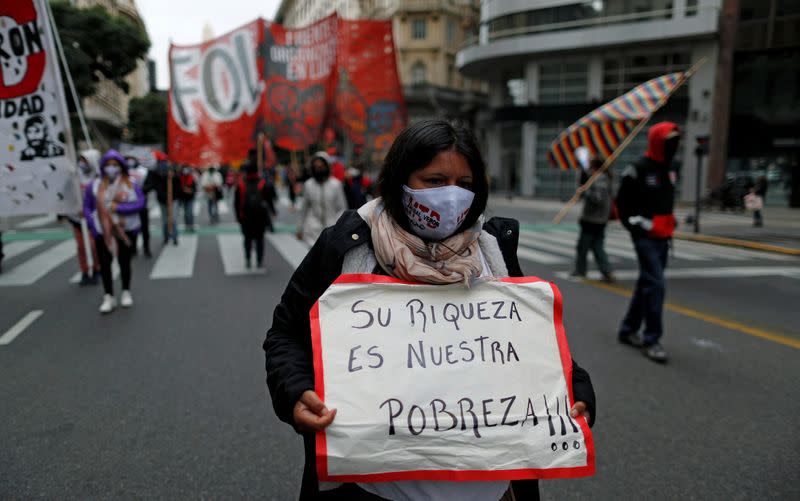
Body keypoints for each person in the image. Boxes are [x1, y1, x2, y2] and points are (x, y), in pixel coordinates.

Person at [264, 120, 596, 501]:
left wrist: (576, 389)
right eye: (434, 180)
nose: (451, 196)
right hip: (373, 489)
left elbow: (535, 349)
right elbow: (285, 334)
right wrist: (295, 391)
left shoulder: (492, 251)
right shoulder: (347, 247)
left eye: (465, 185)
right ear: (400, 180)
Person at [616, 122, 680, 363]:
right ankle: (651, 339)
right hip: (645, 237)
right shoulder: (638, 169)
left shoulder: (672, 167)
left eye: (676, 141)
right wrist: (635, 225)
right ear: (657, 142)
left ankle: (628, 329)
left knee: (647, 283)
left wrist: (670, 222)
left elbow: (666, 199)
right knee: (656, 284)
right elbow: (622, 203)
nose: (674, 146)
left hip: (664, 236)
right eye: (669, 141)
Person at [83, 150, 145, 314]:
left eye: (115, 165)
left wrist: (119, 208)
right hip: (103, 231)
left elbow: (140, 203)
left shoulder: (131, 183)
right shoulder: (94, 185)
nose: (111, 168)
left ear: (121, 166)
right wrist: (93, 225)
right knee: (104, 263)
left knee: (124, 261)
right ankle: (108, 296)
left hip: (125, 229)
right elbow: (87, 207)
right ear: (103, 166)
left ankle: (126, 291)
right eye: (108, 165)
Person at [572, 156, 615, 282]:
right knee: (597, 246)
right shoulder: (600, 178)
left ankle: (581, 270)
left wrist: (584, 192)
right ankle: (606, 271)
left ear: (594, 167)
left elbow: (598, 198)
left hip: (593, 219)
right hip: (599, 219)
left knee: (583, 246)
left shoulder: (599, 178)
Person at [235, 150, 276, 268]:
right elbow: (269, 199)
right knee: (260, 239)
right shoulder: (262, 183)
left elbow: (237, 203)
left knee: (247, 239)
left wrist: (238, 217)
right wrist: (272, 212)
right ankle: (259, 260)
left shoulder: (241, 185)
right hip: (260, 217)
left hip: (246, 217)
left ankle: (248, 258)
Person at [66, 150, 102, 285]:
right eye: (81, 160)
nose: (82, 163)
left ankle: (97, 269)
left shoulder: (98, 177)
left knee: (93, 246)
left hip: (92, 218)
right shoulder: (75, 175)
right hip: (77, 218)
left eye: (85, 160)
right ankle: (85, 271)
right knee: (81, 246)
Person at [296, 151, 347, 246]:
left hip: (332, 229)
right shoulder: (308, 185)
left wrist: (339, 226)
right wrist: (300, 228)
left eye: (321, 166)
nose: (319, 169)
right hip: (312, 231)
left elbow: (342, 208)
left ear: (327, 166)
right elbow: (304, 209)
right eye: (316, 167)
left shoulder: (336, 185)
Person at [145, 156, 179, 246]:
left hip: (173, 198)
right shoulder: (155, 171)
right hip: (162, 199)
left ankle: (175, 236)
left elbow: (178, 184)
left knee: (173, 219)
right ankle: (166, 237)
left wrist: (174, 176)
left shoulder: (173, 169)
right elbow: (153, 184)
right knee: (164, 220)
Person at [126, 155, 152, 257]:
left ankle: (146, 248)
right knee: (132, 227)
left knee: (145, 227)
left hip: (142, 204)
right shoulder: (123, 172)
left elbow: (150, 184)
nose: (130, 161)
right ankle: (133, 248)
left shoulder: (144, 171)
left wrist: (140, 191)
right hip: (129, 204)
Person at [178, 165, 197, 232]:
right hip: (183, 198)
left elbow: (195, 189)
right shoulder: (180, 178)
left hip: (190, 198)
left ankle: (191, 225)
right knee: (186, 213)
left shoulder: (192, 178)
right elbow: (178, 188)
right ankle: (187, 225)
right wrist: (183, 190)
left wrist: (190, 190)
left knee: (190, 212)